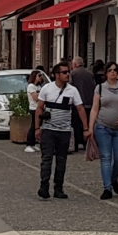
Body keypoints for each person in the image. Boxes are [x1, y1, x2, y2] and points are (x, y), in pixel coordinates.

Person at [35, 62, 88, 200]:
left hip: (64, 131)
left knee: (62, 160)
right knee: (46, 158)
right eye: (64, 72)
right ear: (57, 75)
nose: (67, 74)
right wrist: (37, 128)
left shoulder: (73, 90)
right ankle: (44, 186)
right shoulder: (47, 89)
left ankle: (59, 188)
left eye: (68, 72)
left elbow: (80, 108)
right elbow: (39, 108)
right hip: (48, 129)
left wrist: (86, 128)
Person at [89, 62, 118, 200]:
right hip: (103, 127)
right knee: (106, 157)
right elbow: (94, 109)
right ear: (106, 73)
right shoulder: (100, 88)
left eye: (115, 70)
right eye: (110, 70)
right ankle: (107, 188)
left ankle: (114, 178)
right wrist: (90, 128)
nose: (113, 72)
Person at [68, 57, 96, 153]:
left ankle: (77, 143)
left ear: (75, 65)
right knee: (87, 123)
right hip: (89, 102)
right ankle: (86, 142)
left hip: (77, 103)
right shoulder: (90, 73)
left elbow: (69, 86)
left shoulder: (73, 73)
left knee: (76, 123)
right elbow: (93, 86)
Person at [24, 70, 45, 153]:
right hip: (34, 108)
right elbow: (35, 98)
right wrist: (41, 96)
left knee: (38, 126)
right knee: (34, 126)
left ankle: (33, 144)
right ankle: (28, 144)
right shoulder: (31, 86)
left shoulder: (39, 87)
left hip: (40, 108)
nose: (40, 77)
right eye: (39, 75)